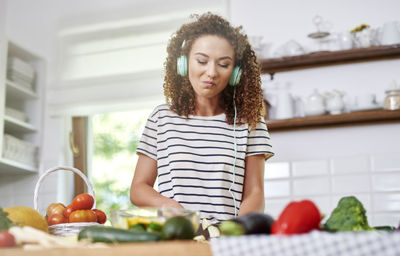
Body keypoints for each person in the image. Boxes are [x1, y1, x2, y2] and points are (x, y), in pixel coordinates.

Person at [130, 12, 274, 224]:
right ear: (183, 63)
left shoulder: (250, 122)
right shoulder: (161, 118)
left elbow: (255, 192)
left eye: (223, 64)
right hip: (177, 238)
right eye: (202, 61)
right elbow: (138, 188)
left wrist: (237, 233)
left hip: (227, 242)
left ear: (235, 73)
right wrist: (170, 207)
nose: (211, 72)